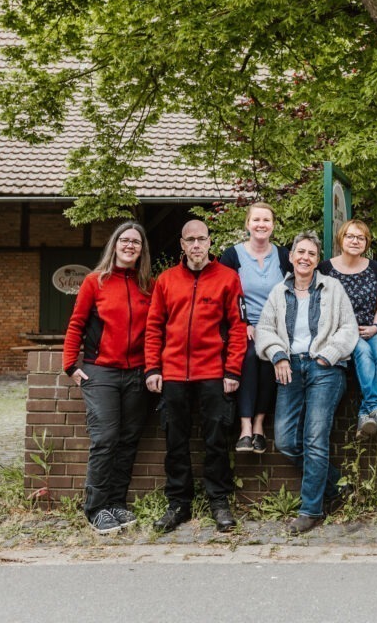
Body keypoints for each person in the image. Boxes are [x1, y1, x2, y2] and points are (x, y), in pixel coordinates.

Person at [144, 219, 248, 534]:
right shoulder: (166, 280)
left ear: (210, 241)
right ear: (182, 244)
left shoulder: (228, 279)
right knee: (175, 439)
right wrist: (152, 367)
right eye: (190, 240)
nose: (196, 245)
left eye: (201, 239)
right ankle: (178, 503)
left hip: (214, 373)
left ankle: (219, 501)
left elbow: (238, 327)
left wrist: (232, 369)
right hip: (173, 372)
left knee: (216, 439)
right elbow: (154, 327)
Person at [256, 231, 360, 535]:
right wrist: (278, 355)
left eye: (311, 254)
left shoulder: (333, 288)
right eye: (300, 252)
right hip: (290, 367)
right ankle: (338, 486)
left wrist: (328, 355)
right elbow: (264, 329)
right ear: (291, 257)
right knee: (287, 441)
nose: (305, 258)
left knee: (315, 440)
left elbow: (348, 328)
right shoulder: (279, 292)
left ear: (317, 260)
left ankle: (311, 510)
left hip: (324, 369)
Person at [63, 220, 153, 534]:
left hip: (137, 373)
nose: (130, 246)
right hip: (101, 371)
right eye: (125, 240)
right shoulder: (94, 281)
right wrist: (70, 365)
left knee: (128, 441)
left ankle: (116, 502)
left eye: (136, 242)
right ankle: (96, 508)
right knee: (105, 439)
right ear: (114, 245)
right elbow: (76, 324)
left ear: (142, 250)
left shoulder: (147, 286)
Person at [220, 202, 291, 456]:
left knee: (270, 357)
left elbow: (293, 292)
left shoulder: (284, 256)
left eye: (266, 220)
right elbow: (225, 295)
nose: (261, 225)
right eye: (256, 220)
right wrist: (245, 323)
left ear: (273, 225)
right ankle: (245, 427)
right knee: (248, 355)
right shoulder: (232, 255)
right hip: (243, 325)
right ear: (247, 224)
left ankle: (260, 423)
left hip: (275, 326)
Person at [319, 219, 377, 440]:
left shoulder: (375, 269)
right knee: (363, 352)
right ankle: (375, 407)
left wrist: (375, 326)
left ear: (366, 242)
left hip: (371, 329)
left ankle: (366, 414)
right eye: (350, 236)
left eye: (360, 237)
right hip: (343, 332)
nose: (355, 241)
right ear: (341, 238)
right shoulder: (325, 268)